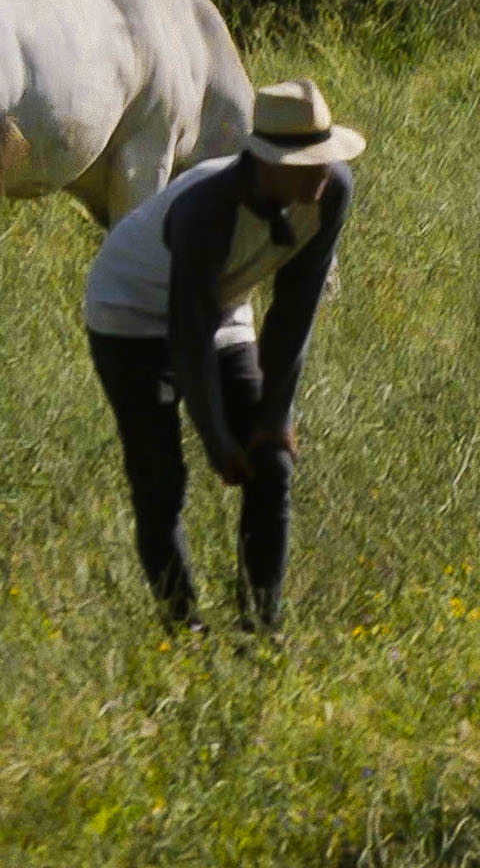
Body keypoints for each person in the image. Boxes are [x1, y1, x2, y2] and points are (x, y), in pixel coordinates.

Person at [81, 78, 363, 631]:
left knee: (272, 464)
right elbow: (186, 341)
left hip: (225, 307)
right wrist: (217, 440)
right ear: (266, 162)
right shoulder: (207, 212)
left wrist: (270, 422)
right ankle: (181, 627)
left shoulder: (330, 193)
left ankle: (261, 627)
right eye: (306, 162)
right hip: (132, 316)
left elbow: (292, 312)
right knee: (162, 479)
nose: (322, 171)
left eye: (326, 158)